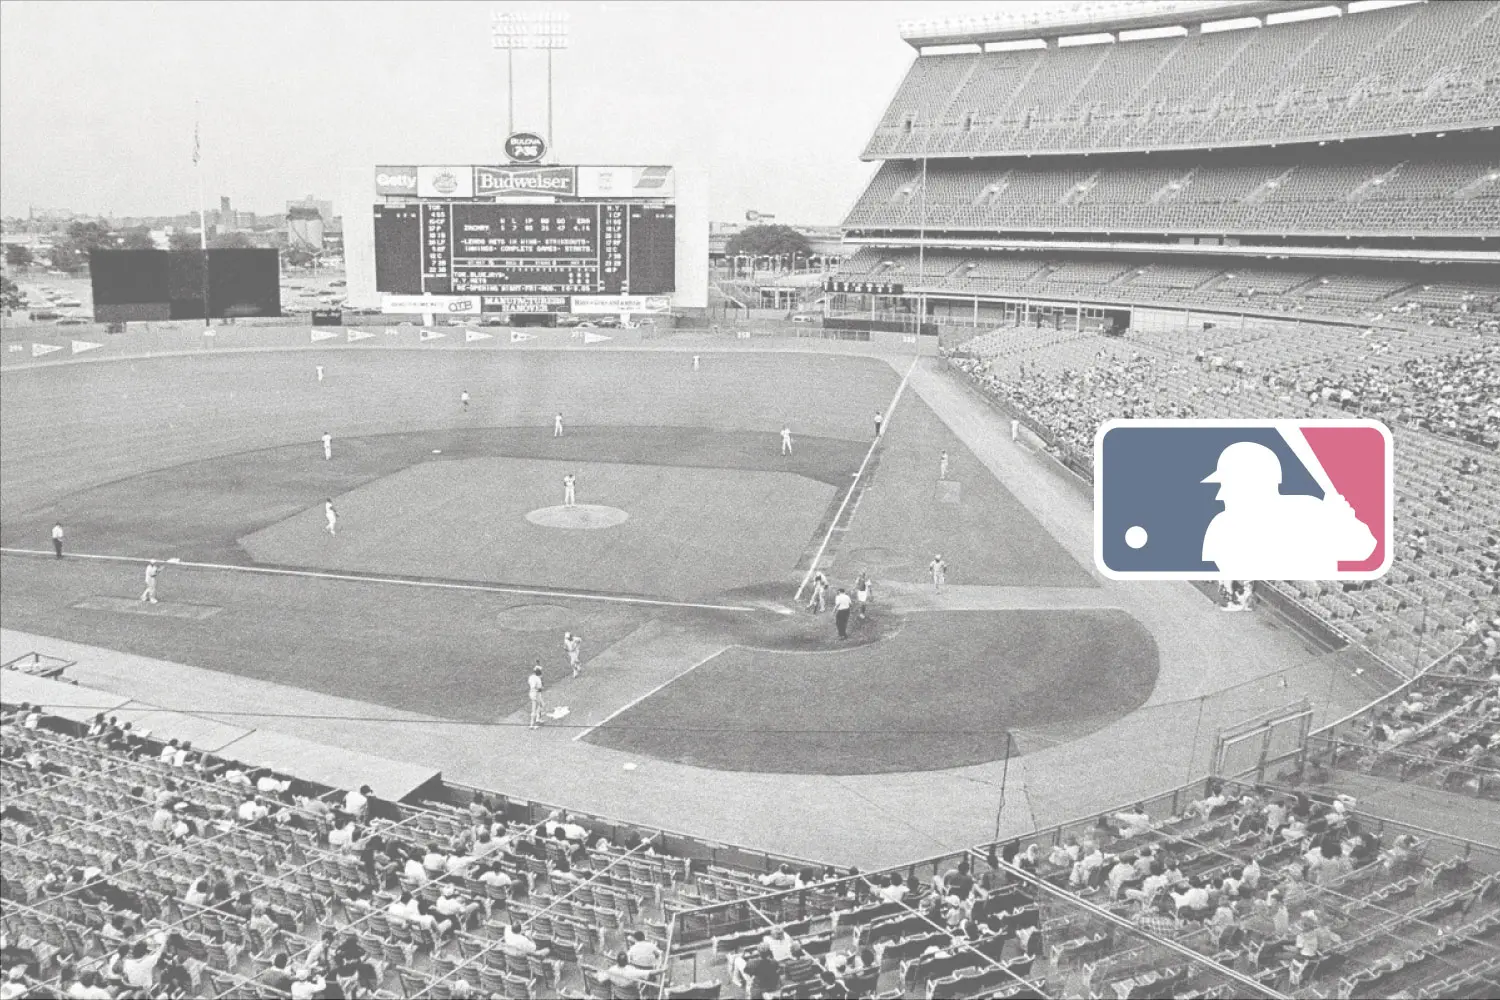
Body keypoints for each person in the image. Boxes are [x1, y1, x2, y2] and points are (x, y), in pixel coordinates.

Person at [1200, 441, 1377, 578]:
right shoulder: (1223, 525)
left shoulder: (1310, 509)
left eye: (1230, 485)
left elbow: (1365, 549)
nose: (1220, 495)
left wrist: (1344, 520)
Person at [528, 665, 545, 730]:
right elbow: (539, 689)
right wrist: (541, 687)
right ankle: (536, 722)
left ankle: (532, 724)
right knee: (540, 706)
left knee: (539, 706)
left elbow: (536, 668)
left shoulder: (531, 677)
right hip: (536, 694)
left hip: (531, 694)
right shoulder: (538, 679)